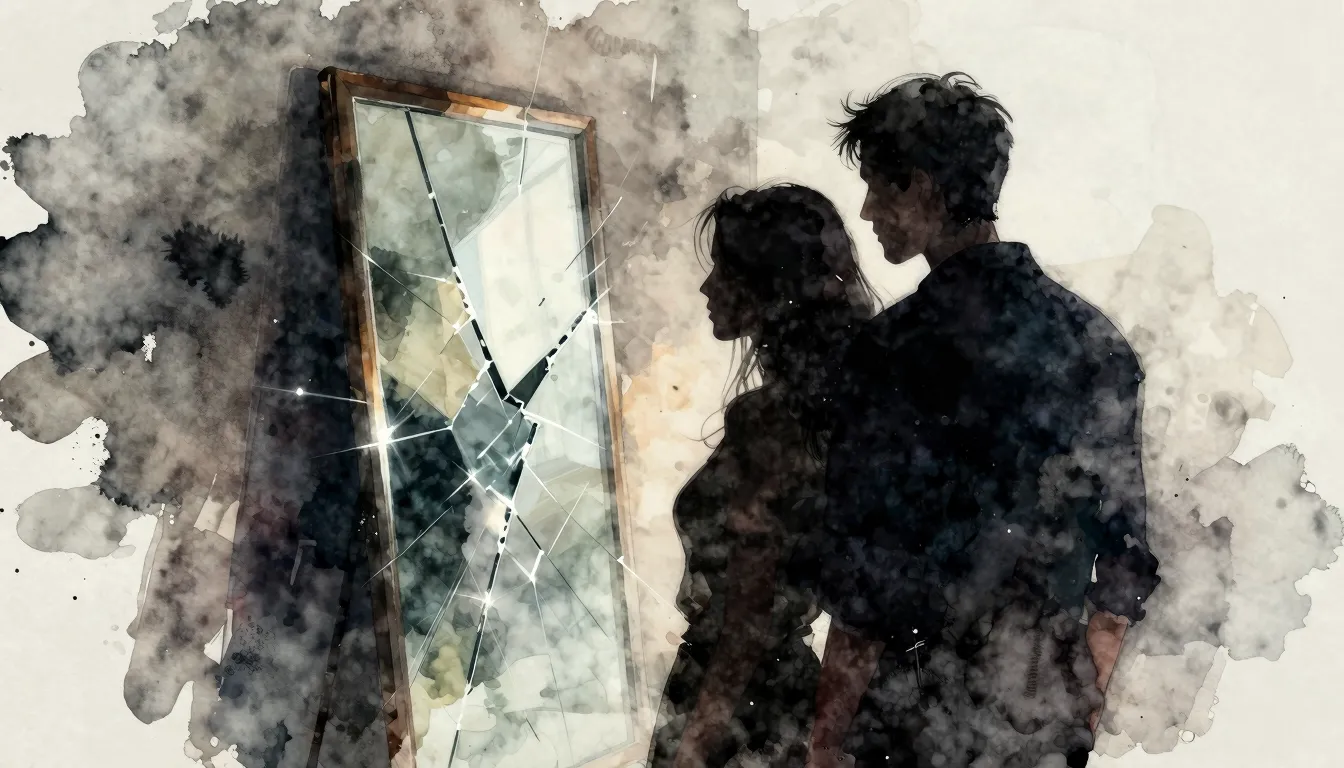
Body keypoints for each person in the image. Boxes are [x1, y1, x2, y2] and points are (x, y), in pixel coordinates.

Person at [804, 73, 1162, 768]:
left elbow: (861, 589)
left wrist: (823, 745)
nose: (868, 210)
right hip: (1040, 717)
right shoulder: (1096, 343)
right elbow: (1123, 560)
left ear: (925, 190)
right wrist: (1085, 701)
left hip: (913, 719)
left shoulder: (890, 353)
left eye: (879, 186)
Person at [647, 184, 877, 768]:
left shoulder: (771, 422)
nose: (707, 288)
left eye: (723, 270)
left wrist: (698, 741)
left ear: (769, 285)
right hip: (779, 697)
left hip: (737, 703)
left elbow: (748, 614)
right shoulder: (828, 412)